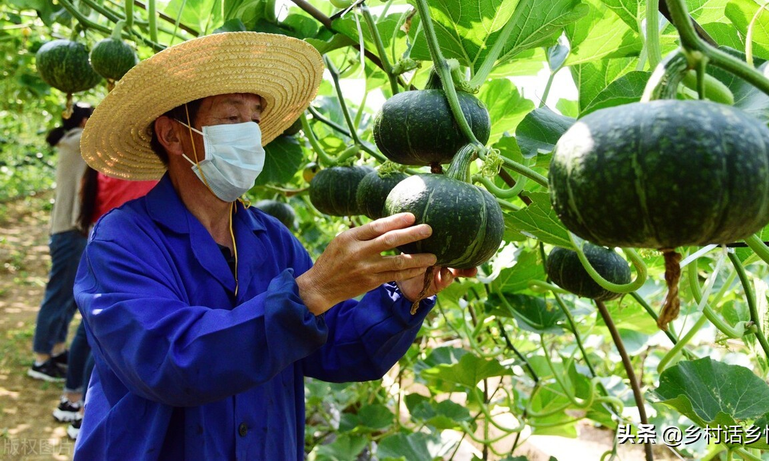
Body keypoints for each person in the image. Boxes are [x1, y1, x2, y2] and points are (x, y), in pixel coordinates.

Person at [73, 32, 475, 459]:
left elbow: (335, 349)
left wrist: (403, 296)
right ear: (173, 136)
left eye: (254, 119)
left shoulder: (271, 239)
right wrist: (312, 292)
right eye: (231, 119)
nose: (249, 134)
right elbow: (167, 362)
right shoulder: (121, 242)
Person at [52, 168, 157, 440]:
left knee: (87, 328)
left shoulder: (101, 170)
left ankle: (70, 399)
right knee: (106, 335)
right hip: (124, 252)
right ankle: (86, 414)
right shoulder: (142, 174)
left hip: (99, 243)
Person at [28, 103, 93, 382]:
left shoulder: (72, 141)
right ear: (83, 121)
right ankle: (41, 359)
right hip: (70, 230)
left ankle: (55, 349)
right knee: (60, 294)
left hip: (70, 229)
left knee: (68, 295)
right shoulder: (80, 141)